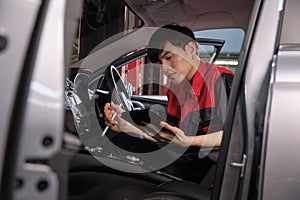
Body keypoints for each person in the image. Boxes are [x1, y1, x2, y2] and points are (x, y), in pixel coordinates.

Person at [103, 24, 234, 182]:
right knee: (123, 143)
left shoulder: (222, 80)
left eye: (169, 57)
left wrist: (190, 140)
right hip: (180, 155)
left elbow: (235, 136)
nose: (164, 68)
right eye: (160, 62)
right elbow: (170, 136)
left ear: (191, 49)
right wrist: (126, 125)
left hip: (205, 167)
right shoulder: (176, 90)